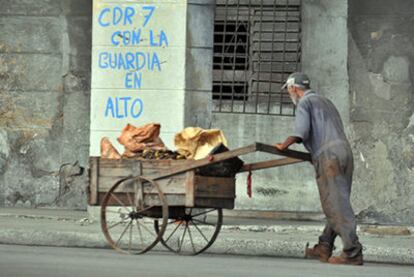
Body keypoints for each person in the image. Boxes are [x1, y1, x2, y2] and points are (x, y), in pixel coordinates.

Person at [274, 72, 363, 266]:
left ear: (294, 89)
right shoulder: (326, 101)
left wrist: (284, 145)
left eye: (289, 90)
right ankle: (324, 246)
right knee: (337, 200)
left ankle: (352, 251)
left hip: (329, 156)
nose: (290, 94)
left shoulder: (305, 103)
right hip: (344, 152)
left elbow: (301, 132)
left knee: (335, 203)